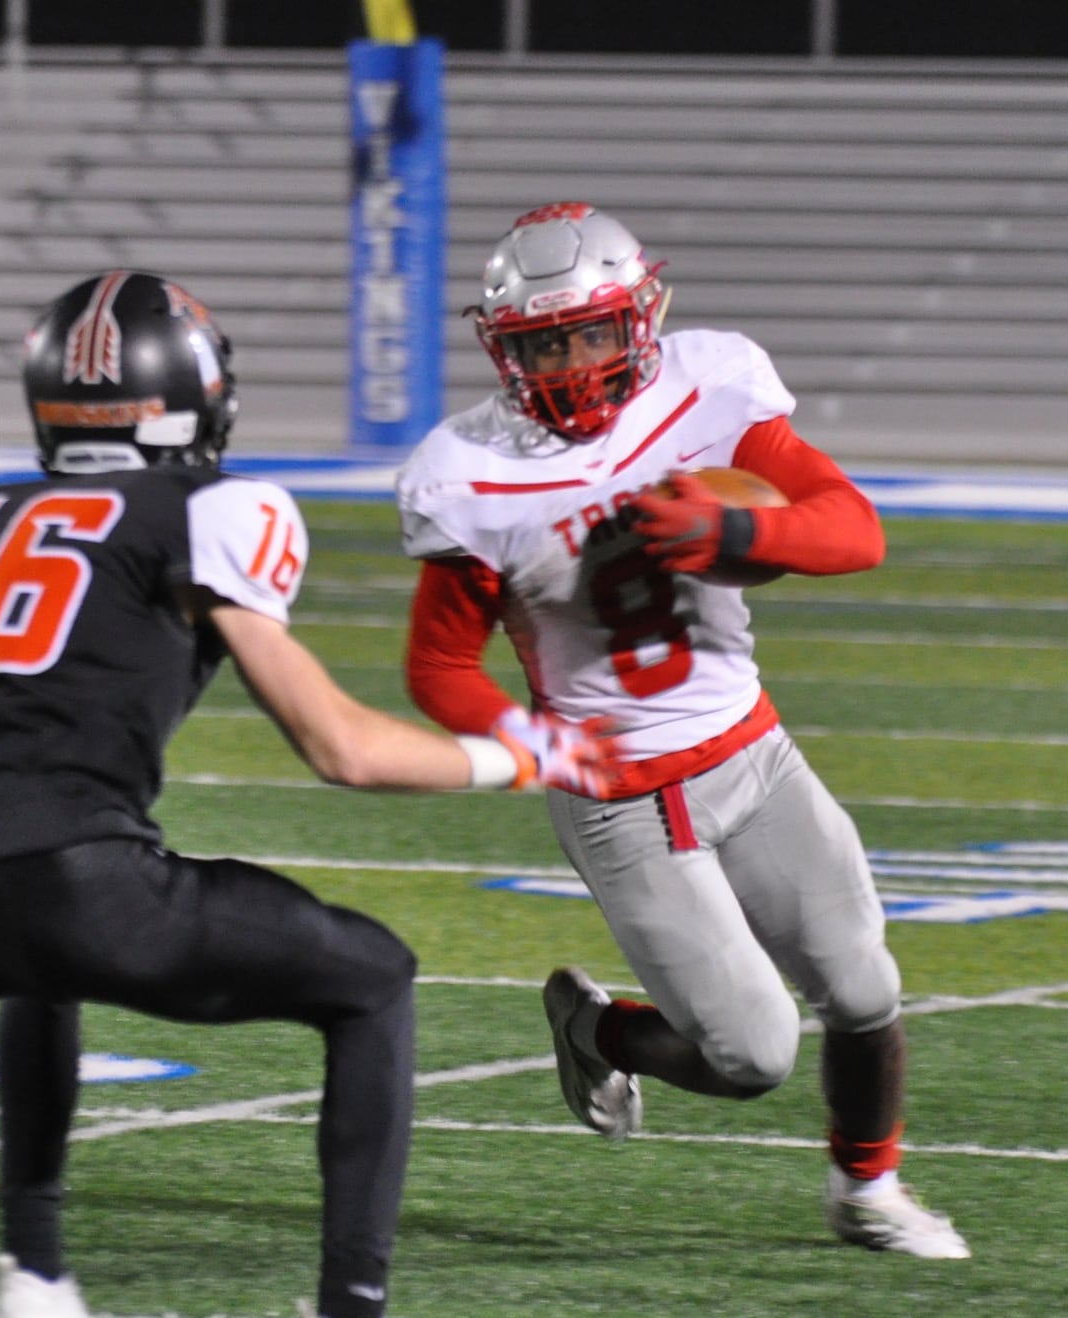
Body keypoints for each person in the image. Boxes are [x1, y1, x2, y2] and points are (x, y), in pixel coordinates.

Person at [0, 269, 616, 1318]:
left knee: (38, 970)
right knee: (372, 978)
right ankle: (349, 1304)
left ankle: (32, 1269)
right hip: (81, 881)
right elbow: (339, 748)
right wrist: (518, 754)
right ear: (195, 394)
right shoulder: (216, 509)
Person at [394, 202, 969, 1260]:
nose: (569, 361)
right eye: (542, 342)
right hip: (621, 795)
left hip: (749, 747)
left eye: (589, 332)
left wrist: (732, 528)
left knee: (863, 985)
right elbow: (437, 666)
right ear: (503, 347)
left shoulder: (708, 391)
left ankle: (866, 1191)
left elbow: (854, 528)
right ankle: (598, 1029)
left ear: (640, 317)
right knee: (751, 1054)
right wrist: (540, 746)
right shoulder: (470, 469)